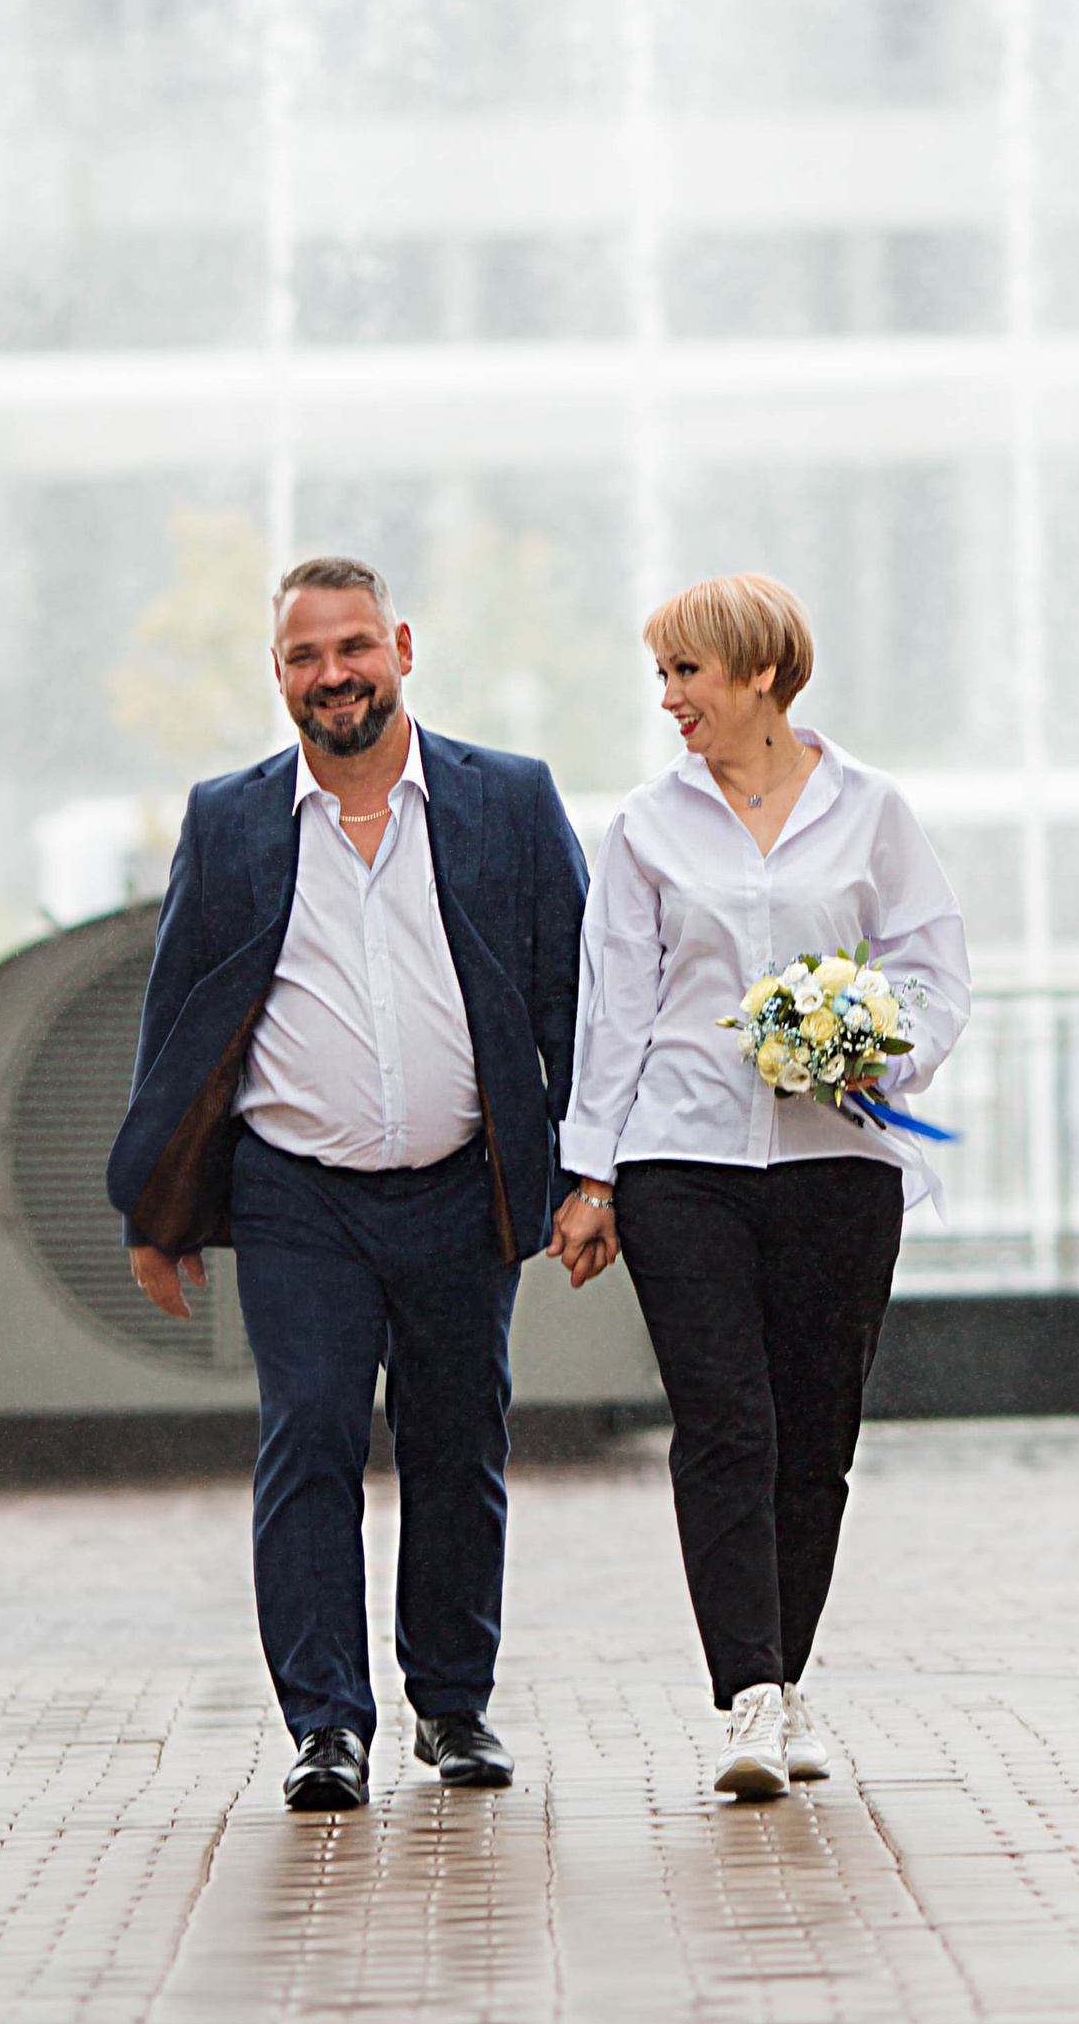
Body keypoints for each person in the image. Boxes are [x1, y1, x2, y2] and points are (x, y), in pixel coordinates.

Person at [106, 553, 590, 1814]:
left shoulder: (511, 802)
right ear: (278, 677)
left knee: (457, 1440)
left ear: (403, 648)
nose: (335, 675)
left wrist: (588, 1174)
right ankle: (326, 1725)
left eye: (354, 647)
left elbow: (572, 1000)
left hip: (458, 1188)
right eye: (307, 657)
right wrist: (155, 1214)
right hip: (295, 1194)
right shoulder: (228, 820)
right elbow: (179, 1022)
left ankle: (452, 1707)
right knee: (310, 1437)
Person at [551, 572, 969, 1800]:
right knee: (725, 1423)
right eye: (664, 677)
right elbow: (614, 1004)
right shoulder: (646, 826)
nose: (670, 700)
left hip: (840, 1165)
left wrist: (872, 1046)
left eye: (688, 674)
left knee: (814, 1437)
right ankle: (745, 1696)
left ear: (759, 676)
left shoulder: (872, 811)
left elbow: (935, 969)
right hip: (681, 1160)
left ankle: (784, 1680)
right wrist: (592, 1174)